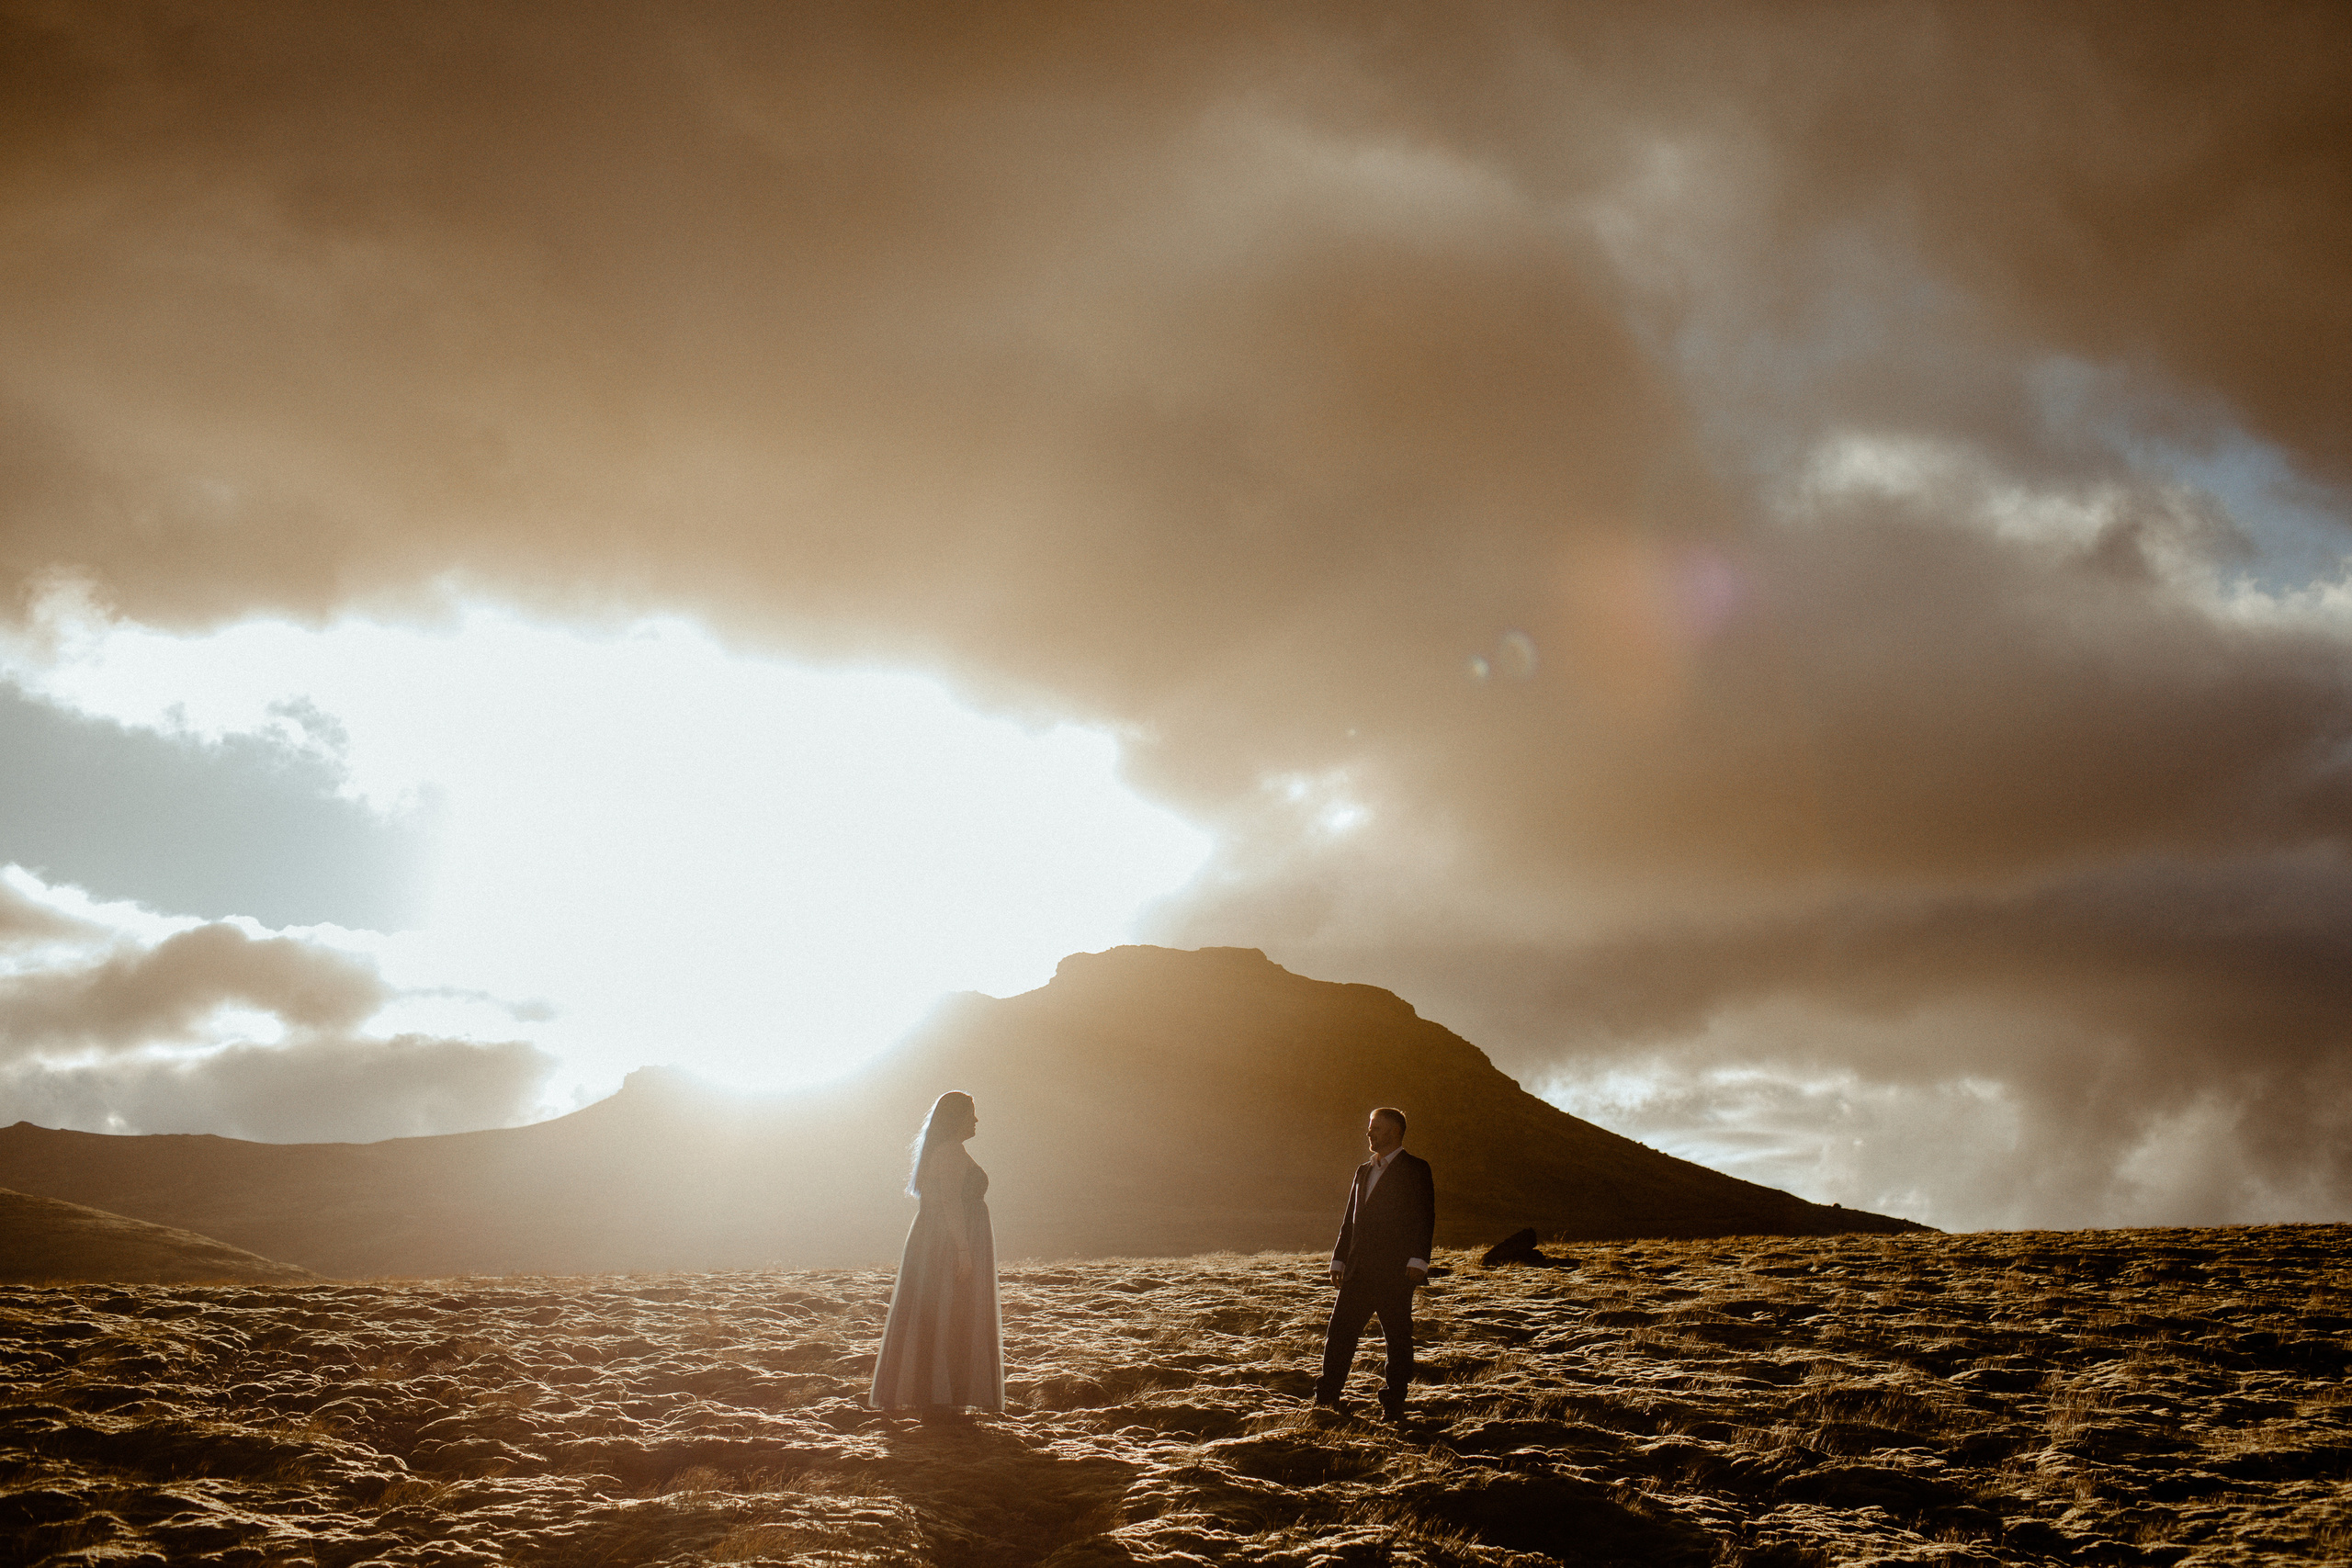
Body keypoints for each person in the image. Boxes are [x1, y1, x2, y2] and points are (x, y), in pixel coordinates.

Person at [870, 1090, 1002, 1413]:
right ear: (955, 1118)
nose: (975, 1120)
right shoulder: (950, 1152)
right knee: (949, 1312)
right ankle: (940, 1394)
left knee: (942, 1312)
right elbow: (951, 1204)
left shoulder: (946, 1150)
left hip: (938, 1241)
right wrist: (964, 1250)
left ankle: (937, 1392)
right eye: (970, 1113)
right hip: (947, 1244)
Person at [1312, 1105, 1434, 1421]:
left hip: (1396, 1273)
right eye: (1370, 1127)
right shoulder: (1362, 1170)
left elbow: (1425, 1217)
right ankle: (1326, 1400)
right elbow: (1349, 1221)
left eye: (1376, 1128)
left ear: (1394, 1132)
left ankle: (1394, 1405)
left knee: (1398, 1340)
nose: (1369, 1132)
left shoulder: (1416, 1169)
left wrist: (1419, 1260)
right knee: (1339, 1335)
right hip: (1357, 1272)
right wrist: (1338, 1259)